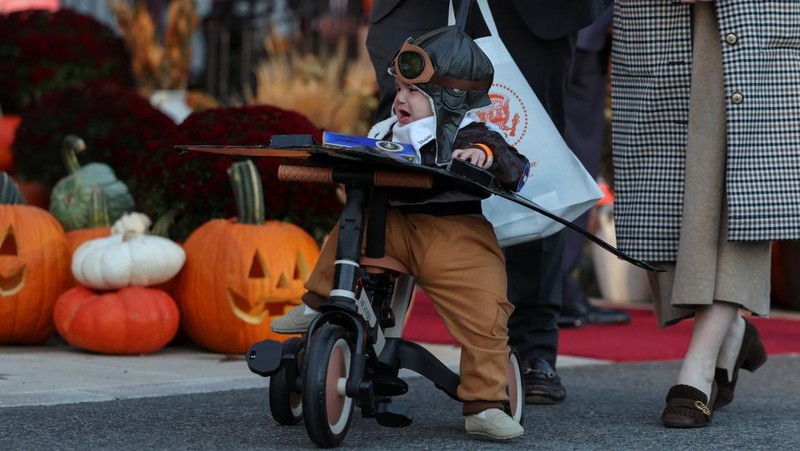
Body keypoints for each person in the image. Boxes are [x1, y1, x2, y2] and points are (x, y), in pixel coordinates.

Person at [275, 25, 529, 440]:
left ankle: (485, 402)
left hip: (456, 238)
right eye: (399, 88)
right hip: (388, 226)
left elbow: (509, 160)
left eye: (414, 92)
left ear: (447, 99)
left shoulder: (471, 134)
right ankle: (321, 302)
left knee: (485, 313)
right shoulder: (385, 133)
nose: (400, 100)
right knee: (346, 230)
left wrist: (480, 157)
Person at [363, 0, 612, 406]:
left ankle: (531, 344)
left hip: (529, 13)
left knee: (530, 145)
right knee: (403, 129)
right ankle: (368, 330)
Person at [610, 0, 797, 427]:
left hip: (758, 14)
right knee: (663, 190)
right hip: (657, 16)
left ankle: (697, 370)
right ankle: (730, 330)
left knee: (745, 182)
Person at [559, 5, 631, 328]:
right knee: (576, 157)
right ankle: (556, 286)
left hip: (541, 30)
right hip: (582, 28)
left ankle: (548, 286)